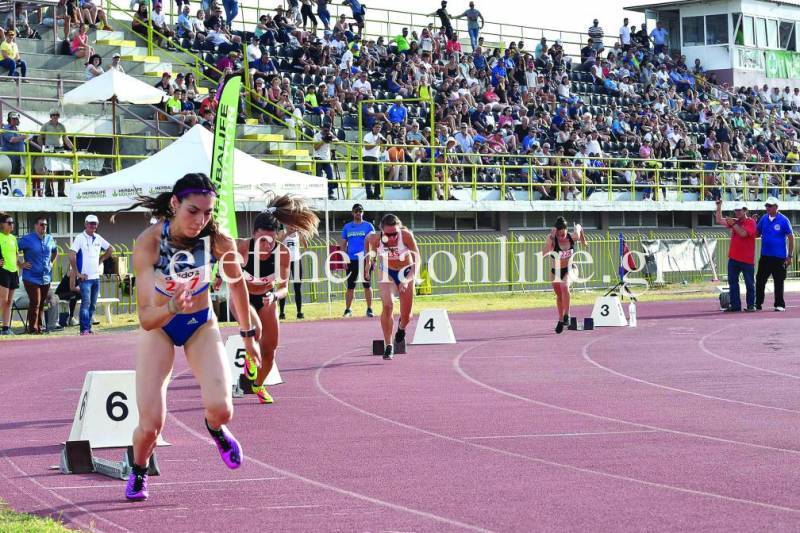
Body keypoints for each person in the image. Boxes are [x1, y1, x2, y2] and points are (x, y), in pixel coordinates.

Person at [116, 173, 261, 502]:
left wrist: (248, 334)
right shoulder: (149, 243)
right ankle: (138, 469)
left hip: (199, 324)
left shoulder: (216, 239)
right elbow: (145, 318)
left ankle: (215, 430)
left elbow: (236, 284)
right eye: (193, 211)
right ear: (174, 204)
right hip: (161, 327)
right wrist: (170, 305)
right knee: (152, 424)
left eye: (208, 213)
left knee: (222, 410)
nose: (201, 220)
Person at [223, 199, 318, 404]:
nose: (266, 246)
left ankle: (258, 384)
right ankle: (249, 356)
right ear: (253, 234)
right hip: (242, 298)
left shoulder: (282, 252)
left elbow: (284, 288)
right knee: (255, 329)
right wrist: (216, 279)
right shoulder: (240, 246)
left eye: (270, 241)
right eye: (261, 241)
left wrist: (274, 296)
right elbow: (224, 263)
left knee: (270, 352)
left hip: (268, 298)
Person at [363, 214, 419, 359]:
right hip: (387, 271)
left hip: (406, 271)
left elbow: (416, 261)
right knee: (387, 306)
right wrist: (369, 262)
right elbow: (367, 241)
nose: (393, 237)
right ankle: (388, 345)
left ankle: (401, 329)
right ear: (382, 231)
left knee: (406, 316)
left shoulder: (406, 236)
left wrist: (406, 280)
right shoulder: (375, 238)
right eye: (389, 234)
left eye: (395, 233)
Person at [69, 214, 114, 335]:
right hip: (85, 278)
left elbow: (110, 249)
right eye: (90, 223)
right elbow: (71, 254)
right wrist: (77, 273)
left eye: (94, 224)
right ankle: (84, 329)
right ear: (85, 224)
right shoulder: (79, 238)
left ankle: (88, 327)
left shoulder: (98, 237)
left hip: (95, 277)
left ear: (97, 225)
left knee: (92, 305)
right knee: (86, 303)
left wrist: (101, 260)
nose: (92, 226)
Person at [542, 216, 587, 333]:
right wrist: (551, 238)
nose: (562, 237)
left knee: (565, 286)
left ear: (567, 230)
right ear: (556, 231)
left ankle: (567, 315)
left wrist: (583, 240)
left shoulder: (572, 237)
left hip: (570, 268)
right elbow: (544, 253)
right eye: (559, 234)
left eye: (564, 234)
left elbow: (579, 227)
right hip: (555, 272)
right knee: (559, 296)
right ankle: (561, 320)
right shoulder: (551, 238)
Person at [18, 216, 58, 334]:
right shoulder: (27, 239)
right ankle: (33, 329)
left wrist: (51, 262)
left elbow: (55, 251)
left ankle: (39, 327)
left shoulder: (50, 238)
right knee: (35, 301)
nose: (44, 227)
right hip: (30, 277)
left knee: (41, 303)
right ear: (35, 226)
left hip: (45, 277)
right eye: (41, 224)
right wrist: (20, 264)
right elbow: (14, 249)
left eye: (45, 225)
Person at [715, 199, 756, 312]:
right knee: (733, 283)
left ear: (745, 211)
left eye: (739, 210)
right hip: (734, 258)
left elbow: (743, 234)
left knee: (749, 283)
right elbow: (719, 220)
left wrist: (733, 224)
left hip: (747, 259)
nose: (737, 213)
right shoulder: (735, 221)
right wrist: (719, 206)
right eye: (736, 210)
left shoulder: (751, 222)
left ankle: (751, 305)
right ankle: (735, 305)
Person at [755, 197, 794, 312]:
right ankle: (757, 304)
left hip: (779, 257)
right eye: (766, 205)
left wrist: (790, 256)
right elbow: (757, 233)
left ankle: (779, 304)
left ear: (776, 207)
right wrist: (753, 223)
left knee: (779, 281)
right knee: (760, 280)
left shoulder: (783, 220)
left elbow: (791, 238)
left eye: (770, 206)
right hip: (765, 256)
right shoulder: (763, 218)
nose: (767, 208)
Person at [340, 203, 374, 317]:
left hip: (365, 259)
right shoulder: (347, 227)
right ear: (352, 213)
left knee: (367, 285)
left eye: (360, 211)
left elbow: (373, 244)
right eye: (356, 211)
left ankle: (369, 309)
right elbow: (343, 244)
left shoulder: (368, 226)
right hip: (351, 259)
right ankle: (348, 309)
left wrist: (371, 260)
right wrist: (344, 259)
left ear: (363, 212)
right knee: (350, 286)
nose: (358, 213)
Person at [278, 224, 309, 320]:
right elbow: (277, 243)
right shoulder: (282, 232)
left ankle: (299, 311)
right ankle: (282, 312)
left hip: (296, 261)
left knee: (297, 287)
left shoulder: (298, 233)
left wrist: (302, 234)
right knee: (283, 285)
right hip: (284, 262)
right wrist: (287, 233)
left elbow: (305, 246)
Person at [0, 213, 20, 335]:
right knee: (3, 300)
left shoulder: (13, 238)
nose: (12, 225)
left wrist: (20, 266)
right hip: (3, 271)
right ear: (2, 224)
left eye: (13, 223)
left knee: (9, 301)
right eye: (9, 223)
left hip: (14, 272)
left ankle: (6, 328)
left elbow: (16, 255)